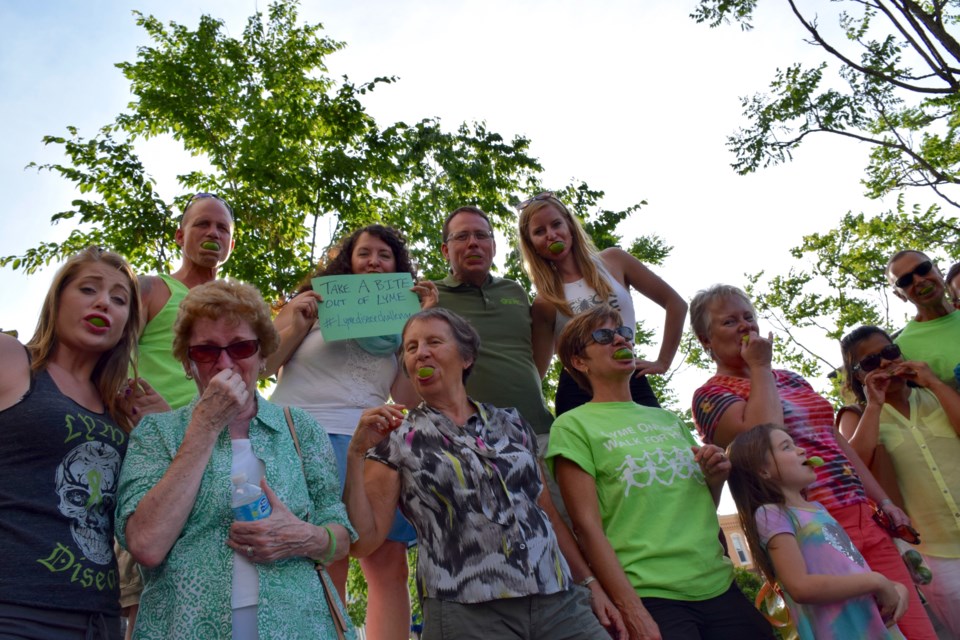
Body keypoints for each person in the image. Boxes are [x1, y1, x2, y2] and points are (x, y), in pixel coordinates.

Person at [344, 308, 624, 640]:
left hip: (557, 599)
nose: (421, 353)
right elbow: (363, 541)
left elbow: (545, 512)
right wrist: (356, 453)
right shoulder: (395, 437)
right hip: (468, 611)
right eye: (411, 347)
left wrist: (590, 583)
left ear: (466, 358)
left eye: (434, 341)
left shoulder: (512, 422)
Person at [689, 283, 936, 640]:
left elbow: (834, 442)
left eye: (749, 317)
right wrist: (760, 367)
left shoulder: (790, 378)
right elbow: (764, 436)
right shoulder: (711, 395)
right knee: (865, 630)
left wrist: (882, 500)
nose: (745, 326)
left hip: (860, 512)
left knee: (916, 627)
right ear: (704, 339)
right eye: (729, 322)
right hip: (810, 526)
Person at [116, 280, 355, 639]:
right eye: (205, 352)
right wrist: (206, 426)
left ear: (262, 356)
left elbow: (339, 533)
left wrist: (305, 536)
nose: (224, 362)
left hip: (300, 627)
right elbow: (146, 545)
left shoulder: (300, 428)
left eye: (241, 347)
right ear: (187, 364)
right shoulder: (156, 434)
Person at [547, 305, 774, 640]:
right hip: (651, 595)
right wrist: (632, 609)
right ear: (580, 362)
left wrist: (714, 479)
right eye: (603, 336)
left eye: (623, 333)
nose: (619, 340)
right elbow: (586, 527)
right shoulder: (572, 426)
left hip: (719, 585)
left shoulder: (667, 420)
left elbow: (699, 507)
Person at [267, 224, 436, 640]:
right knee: (326, 557)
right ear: (349, 261)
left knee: (388, 562)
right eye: (365, 254)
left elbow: (405, 398)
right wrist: (300, 323)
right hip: (301, 436)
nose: (374, 262)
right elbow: (263, 365)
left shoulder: (403, 323)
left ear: (398, 268)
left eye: (384, 255)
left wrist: (424, 323)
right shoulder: (310, 302)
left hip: (371, 446)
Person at [0, 247, 142, 639]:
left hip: (99, 619)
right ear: (57, 299)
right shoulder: (12, 359)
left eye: (119, 299)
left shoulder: (122, 412)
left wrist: (156, 429)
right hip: (14, 610)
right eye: (88, 289)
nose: (103, 303)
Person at [121, 192, 236, 636]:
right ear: (179, 234)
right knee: (139, 587)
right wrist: (143, 409)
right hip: (150, 450)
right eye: (202, 224)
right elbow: (112, 361)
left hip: (211, 457)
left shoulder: (233, 307)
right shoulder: (154, 289)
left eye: (222, 228)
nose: (212, 234)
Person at [727, 424, 908, 639]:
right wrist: (876, 581)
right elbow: (800, 586)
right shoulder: (771, 514)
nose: (801, 450)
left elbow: (850, 568)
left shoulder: (819, 509)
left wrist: (895, 587)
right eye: (786, 447)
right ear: (763, 470)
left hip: (873, 625)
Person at [838, 325, 960, 636]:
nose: (883, 364)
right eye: (869, 363)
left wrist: (932, 381)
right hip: (938, 556)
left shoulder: (934, 394)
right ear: (856, 376)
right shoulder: (858, 416)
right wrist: (875, 405)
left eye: (889, 353)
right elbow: (855, 470)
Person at [518, 191, 687, 415]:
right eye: (539, 231)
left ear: (569, 225)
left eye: (556, 224)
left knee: (660, 442)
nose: (551, 234)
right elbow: (536, 374)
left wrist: (663, 361)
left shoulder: (614, 261)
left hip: (629, 376)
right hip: (578, 390)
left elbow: (676, 304)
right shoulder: (545, 301)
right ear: (532, 244)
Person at [887, 250, 960, 388]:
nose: (919, 280)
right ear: (899, 295)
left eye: (923, 269)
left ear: (938, 270)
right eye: (905, 281)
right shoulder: (903, 349)